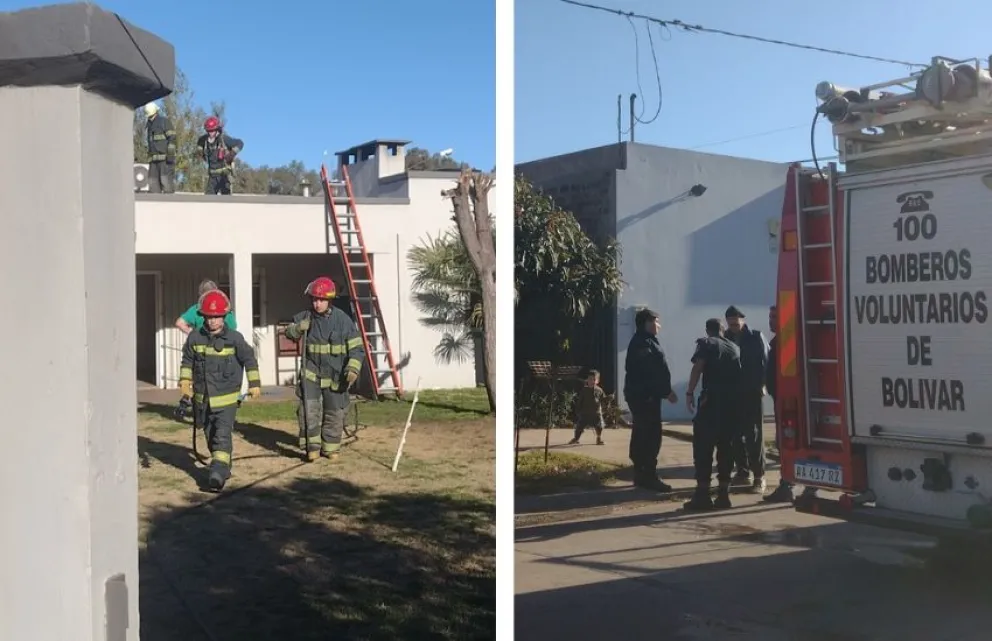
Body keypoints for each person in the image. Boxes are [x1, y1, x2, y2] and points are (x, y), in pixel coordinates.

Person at [179, 289, 261, 492]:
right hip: (203, 400)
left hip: (226, 402)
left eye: (217, 317)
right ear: (203, 317)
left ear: (224, 317)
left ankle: (216, 475)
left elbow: (249, 359)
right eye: (209, 317)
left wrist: (254, 383)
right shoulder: (194, 338)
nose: (213, 321)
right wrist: (185, 382)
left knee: (221, 435)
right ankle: (224, 467)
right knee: (210, 435)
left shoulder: (235, 339)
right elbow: (187, 361)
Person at [283, 276, 365, 462]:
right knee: (308, 410)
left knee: (335, 412)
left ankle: (330, 448)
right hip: (311, 373)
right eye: (314, 299)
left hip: (336, 375)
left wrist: (352, 369)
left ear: (329, 300)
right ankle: (311, 448)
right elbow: (288, 333)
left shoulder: (343, 320)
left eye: (321, 300)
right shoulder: (305, 316)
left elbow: (357, 348)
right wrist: (297, 329)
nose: (317, 303)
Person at [683, 318, 743, 511]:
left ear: (708, 330)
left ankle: (702, 495)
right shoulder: (734, 347)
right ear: (723, 330)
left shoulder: (706, 343)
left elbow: (698, 368)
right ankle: (723, 494)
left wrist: (690, 393)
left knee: (703, 446)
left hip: (712, 403)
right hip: (732, 404)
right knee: (726, 448)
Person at [623, 308, 679, 492]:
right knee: (650, 435)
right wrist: (666, 391)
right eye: (656, 321)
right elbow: (650, 372)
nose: (658, 325)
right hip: (645, 396)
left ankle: (641, 474)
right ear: (646, 323)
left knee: (642, 432)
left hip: (645, 395)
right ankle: (648, 475)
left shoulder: (646, 341)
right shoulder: (642, 344)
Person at [724, 305, 770, 494]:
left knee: (754, 434)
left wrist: (764, 384)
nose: (734, 326)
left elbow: (767, 361)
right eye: (731, 323)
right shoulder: (725, 337)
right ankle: (743, 472)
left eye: (736, 322)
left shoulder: (755, 337)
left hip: (752, 391)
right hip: (733, 393)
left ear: (743, 320)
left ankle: (759, 476)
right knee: (735, 435)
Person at [198, 116, 244, 195]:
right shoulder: (203, 140)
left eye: (212, 130)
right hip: (212, 178)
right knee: (207, 202)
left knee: (226, 203)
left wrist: (232, 154)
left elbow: (240, 143)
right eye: (208, 131)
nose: (210, 133)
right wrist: (201, 154)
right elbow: (199, 145)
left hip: (224, 177)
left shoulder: (224, 139)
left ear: (217, 129)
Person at [143, 102, 176, 193]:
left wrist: (170, 155)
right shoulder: (149, 125)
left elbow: (172, 138)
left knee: (166, 185)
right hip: (153, 161)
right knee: (153, 185)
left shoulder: (164, 122)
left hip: (165, 160)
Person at [568, 369, 606, 446]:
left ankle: (599, 438)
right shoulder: (584, 390)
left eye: (593, 379)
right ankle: (576, 438)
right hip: (585, 413)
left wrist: (608, 399)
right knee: (579, 427)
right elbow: (580, 401)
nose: (591, 381)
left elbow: (603, 399)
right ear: (587, 380)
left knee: (599, 426)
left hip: (596, 413)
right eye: (589, 379)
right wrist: (578, 410)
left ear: (597, 381)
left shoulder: (599, 390)